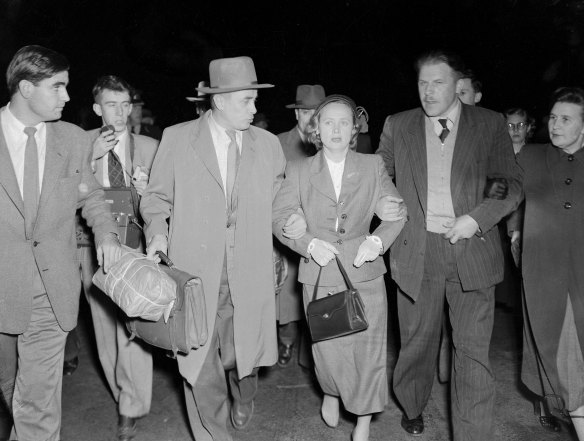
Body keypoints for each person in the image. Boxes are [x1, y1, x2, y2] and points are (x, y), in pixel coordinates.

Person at [141, 56, 291, 441]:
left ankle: (245, 393)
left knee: (245, 356)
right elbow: (156, 200)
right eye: (246, 100)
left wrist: (295, 230)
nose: (255, 109)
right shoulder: (177, 138)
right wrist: (157, 234)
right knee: (199, 365)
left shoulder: (269, 145)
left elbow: (279, 205)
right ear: (220, 101)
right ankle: (215, 433)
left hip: (250, 273)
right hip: (196, 276)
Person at [376, 50, 522, 440]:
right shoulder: (400, 124)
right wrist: (386, 198)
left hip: (472, 249)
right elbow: (379, 172)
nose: (428, 91)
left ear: (458, 85)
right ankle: (412, 404)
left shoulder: (489, 124)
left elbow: (505, 181)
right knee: (417, 346)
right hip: (416, 251)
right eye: (422, 83)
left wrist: (477, 216)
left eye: (437, 82)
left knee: (473, 355)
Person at [0, 44, 121, 441]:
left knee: (37, 401)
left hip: (51, 290)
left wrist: (105, 235)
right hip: (2, 288)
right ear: (26, 89)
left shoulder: (71, 139)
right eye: (58, 87)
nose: (68, 97)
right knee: (10, 388)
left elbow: (89, 196)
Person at [273, 94, 405, 441]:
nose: (335, 129)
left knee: (369, 351)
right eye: (328, 121)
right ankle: (331, 391)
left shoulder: (372, 166)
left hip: (365, 272)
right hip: (320, 274)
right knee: (329, 353)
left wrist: (376, 242)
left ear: (354, 130)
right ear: (316, 128)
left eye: (343, 122)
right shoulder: (299, 170)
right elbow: (280, 215)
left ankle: (362, 421)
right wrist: (306, 242)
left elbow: (395, 209)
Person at [80, 75, 159, 440]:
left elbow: (164, 205)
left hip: (135, 245)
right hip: (90, 249)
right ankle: (120, 392)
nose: (121, 112)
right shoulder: (80, 147)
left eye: (126, 104)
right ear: (97, 108)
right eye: (112, 104)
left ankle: (132, 404)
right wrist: (89, 159)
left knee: (133, 324)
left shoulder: (151, 147)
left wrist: (147, 194)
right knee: (104, 329)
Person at [519, 87, 584, 440]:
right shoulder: (531, 157)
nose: (555, 124)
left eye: (566, 119)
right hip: (549, 284)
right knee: (569, 370)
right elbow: (500, 190)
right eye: (553, 117)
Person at [275, 84, 325, 367]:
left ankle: (312, 352)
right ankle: (286, 340)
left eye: (316, 111)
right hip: (289, 233)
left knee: (318, 296)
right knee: (288, 296)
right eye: (305, 111)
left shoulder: (332, 142)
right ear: (297, 114)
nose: (310, 117)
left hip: (322, 233)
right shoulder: (278, 143)